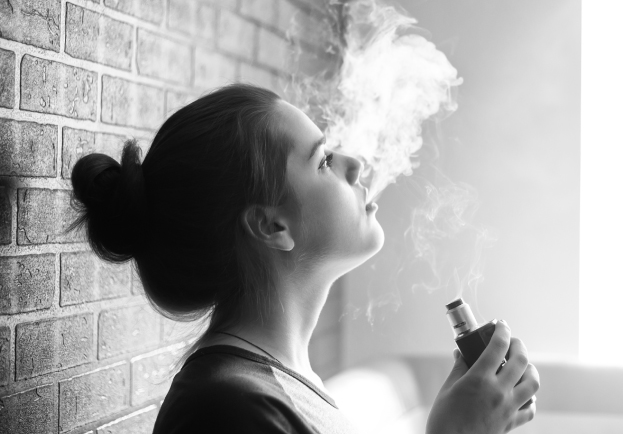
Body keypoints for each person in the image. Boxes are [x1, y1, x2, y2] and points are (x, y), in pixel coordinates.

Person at [68, 84, 539, 434]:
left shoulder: (279, 386)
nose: (354, 164)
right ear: (272, 226)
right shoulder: (227, 409)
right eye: (323, 161)